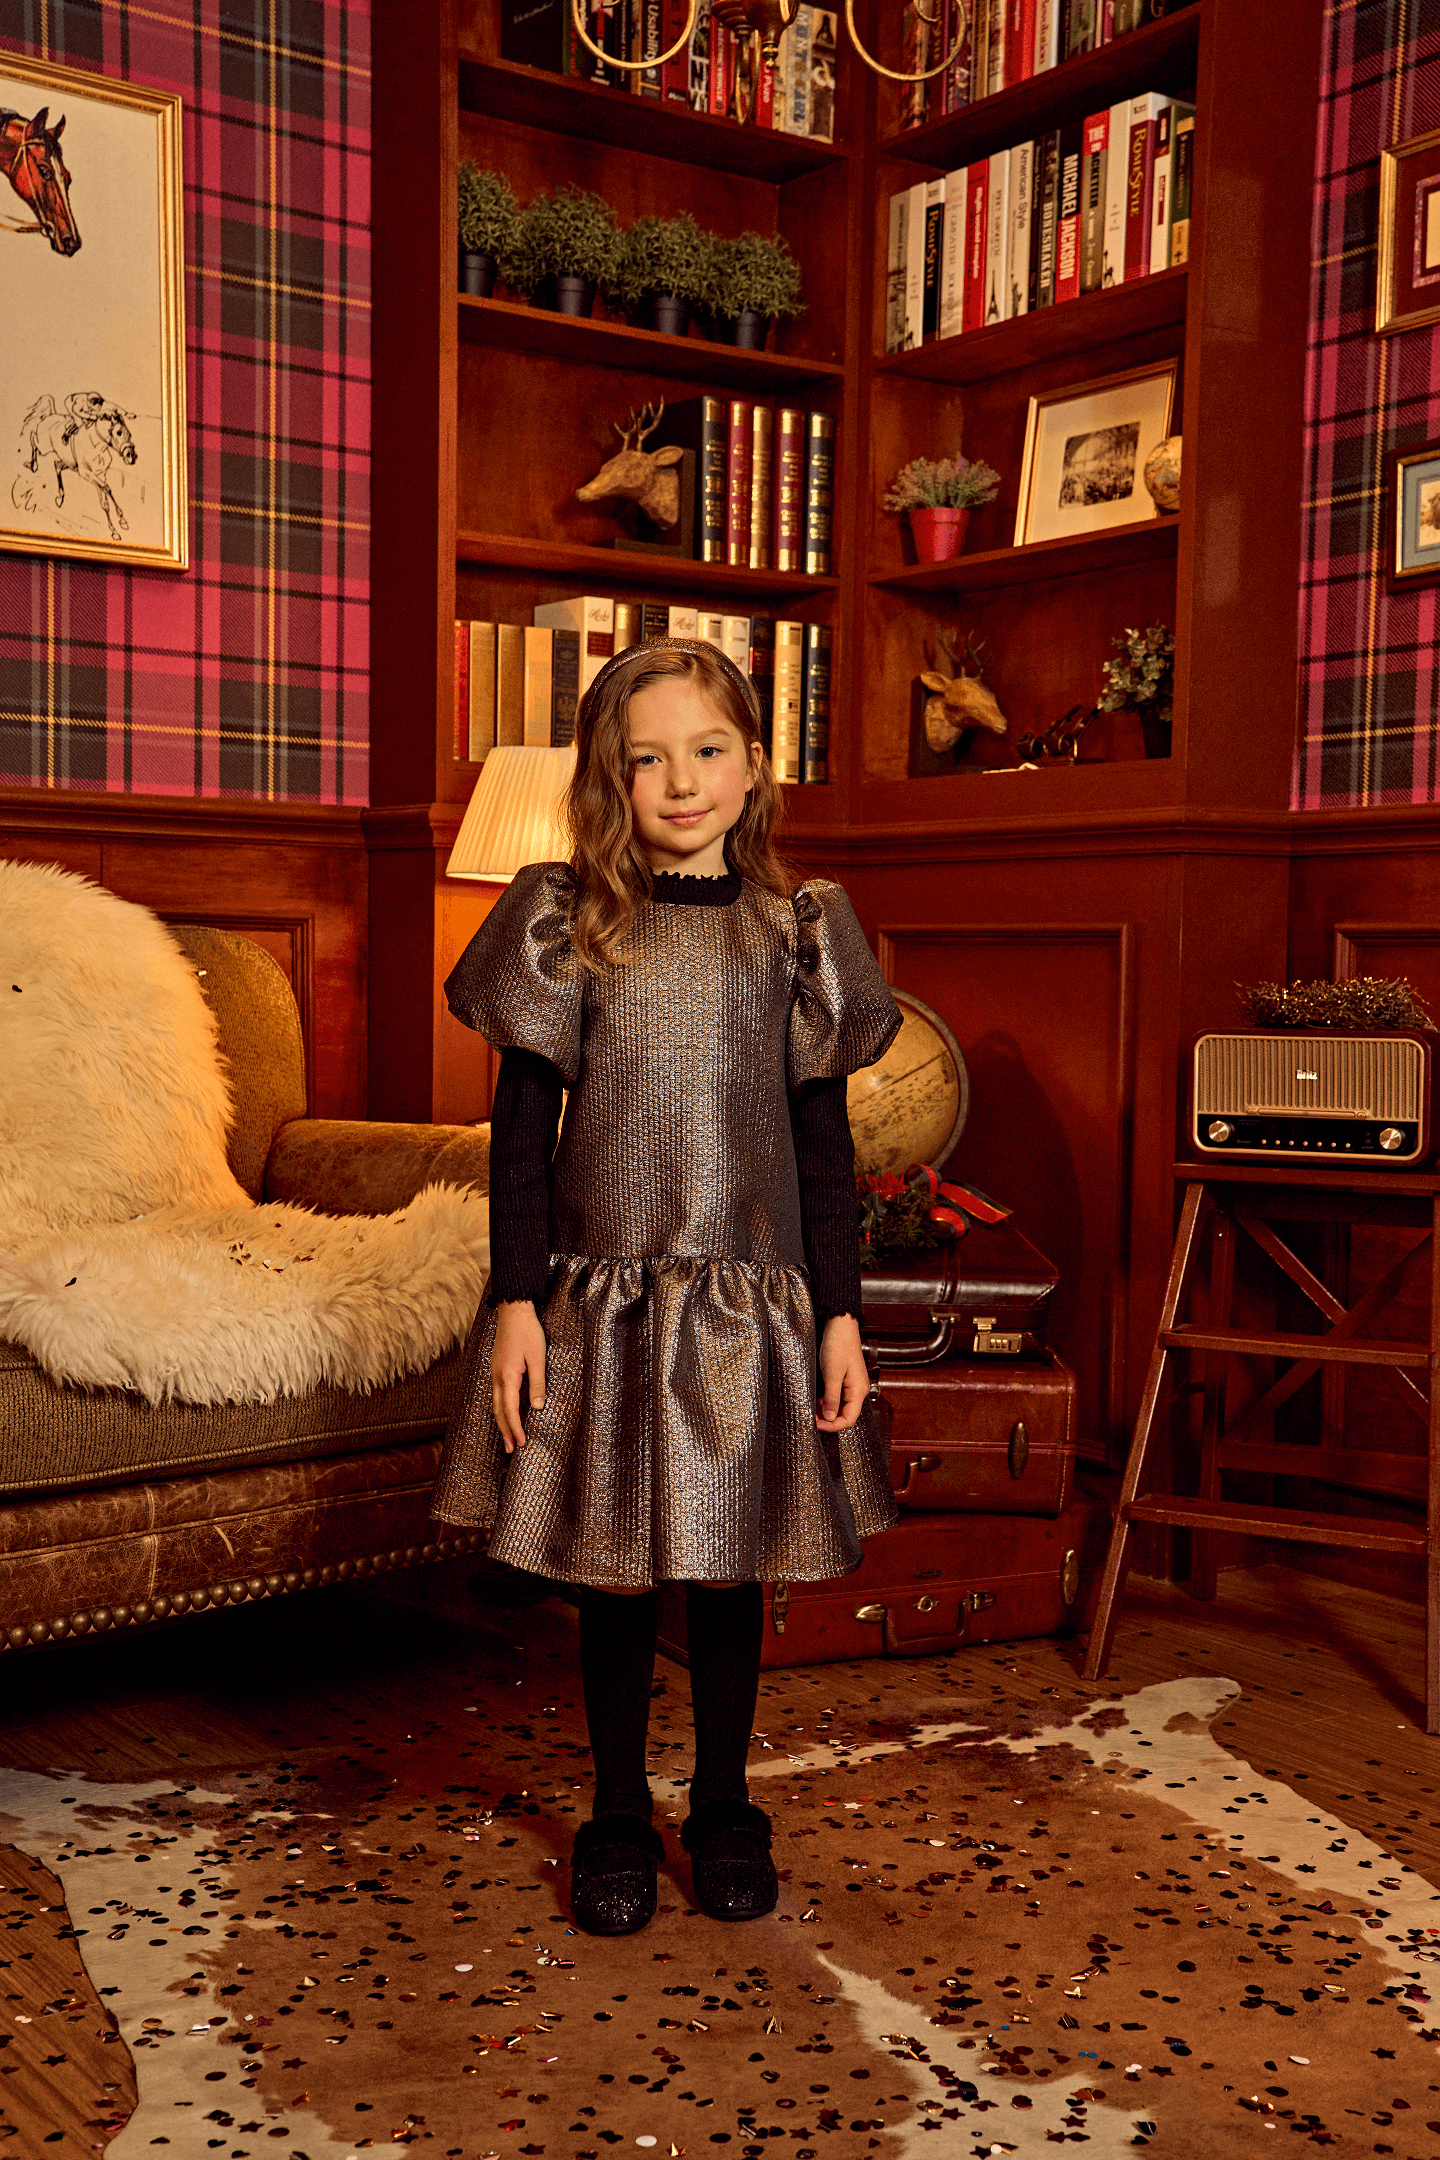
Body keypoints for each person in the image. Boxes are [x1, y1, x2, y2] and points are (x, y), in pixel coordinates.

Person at [432, 637, 901, 1937]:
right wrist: (516, 1300)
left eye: (708, 751)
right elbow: (519, 1136)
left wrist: (844, 1313)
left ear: (754, 766)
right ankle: (620, 1812)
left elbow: (821, 1146)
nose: (681, 781)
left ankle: (728, 1805)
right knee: (615, 1575)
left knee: (730, 1572)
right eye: (649, 760)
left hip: (752, 1310)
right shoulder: (566, 922)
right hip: (604, 1307)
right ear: (611, 779)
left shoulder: (797, 936)